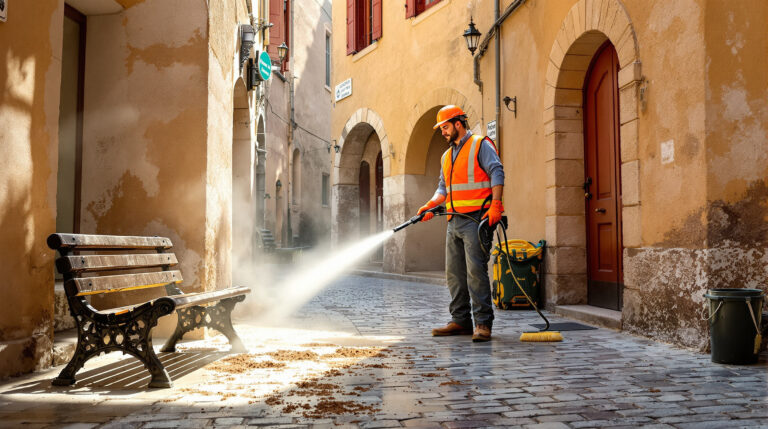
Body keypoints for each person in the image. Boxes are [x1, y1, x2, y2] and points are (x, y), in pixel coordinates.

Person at [417, 105, 505, 342]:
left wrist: (496, 205)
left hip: (476, 219)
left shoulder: (480, 144)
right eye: (441, 128)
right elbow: (442, 189)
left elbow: (497, 172)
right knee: (454, 274)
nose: (443, 132)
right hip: (453, 221)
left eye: (445, 127)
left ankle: (483, 323)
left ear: (458, 123)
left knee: (475, 271)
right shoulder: (446, 156)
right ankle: (461, 321)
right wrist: (430, 205)